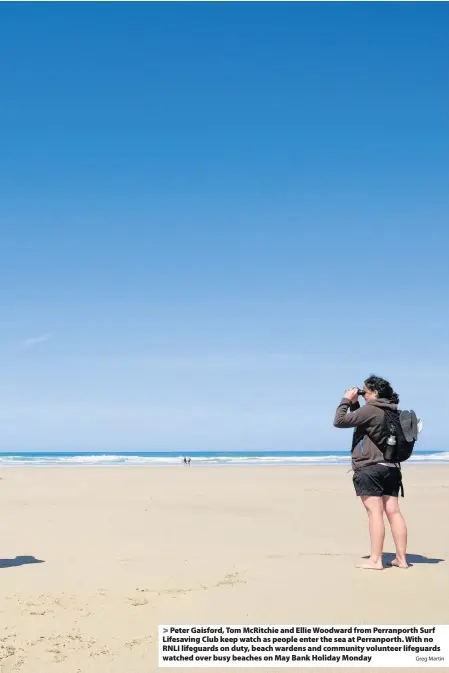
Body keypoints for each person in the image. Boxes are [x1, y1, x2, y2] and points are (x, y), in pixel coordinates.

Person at [333, 375, 409, 571]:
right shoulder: (392, 411)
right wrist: (356, 404)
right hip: (392, 468)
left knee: (375, 513)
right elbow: (364, 422)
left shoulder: (371, 410)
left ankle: (376, 560)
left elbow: (339, 421)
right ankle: (401, 559)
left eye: (365, 391)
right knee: (394, 512)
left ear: (375, 393)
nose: (363, 394)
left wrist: (345, 401)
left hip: (370, 468)